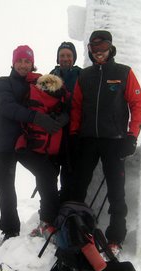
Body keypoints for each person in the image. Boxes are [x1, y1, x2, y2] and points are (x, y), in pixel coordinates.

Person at [69, 30, 141, 255]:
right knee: (78, 187)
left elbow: (137, 104)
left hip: (114, 141)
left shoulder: (124, 72)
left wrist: (131, 136)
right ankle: (76, 230)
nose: (99, 54)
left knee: (116, 192)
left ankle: (115, 239)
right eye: (94, 50)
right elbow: (76, 107)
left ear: (110, 49)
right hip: (88, 141)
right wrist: (74, 135)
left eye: (102, 50)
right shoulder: (85, 76)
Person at [0, 45, 63, 246]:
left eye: (27, 61)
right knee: (5, 185)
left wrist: (60, 117)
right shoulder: (2, 84)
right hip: (4, 144)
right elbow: (7, 107)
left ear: (32, 63)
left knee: (47, 174)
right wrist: (37, 117)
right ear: (13, 63)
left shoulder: (38, 83)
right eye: (20, 61)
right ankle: (10, 231)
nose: (23, 65)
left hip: (27, 143)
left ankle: (47, 222)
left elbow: (55, 102)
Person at [49, 42, 82, 203]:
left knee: (70, 172)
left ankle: (67, 206)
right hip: (54, 131)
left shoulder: (81, 75)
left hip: (74, 132)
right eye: (62, 55)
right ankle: (51, 208)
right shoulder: (50, 76)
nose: (65, 58)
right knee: (50, 173)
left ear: (73, 58)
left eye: (69, 55)